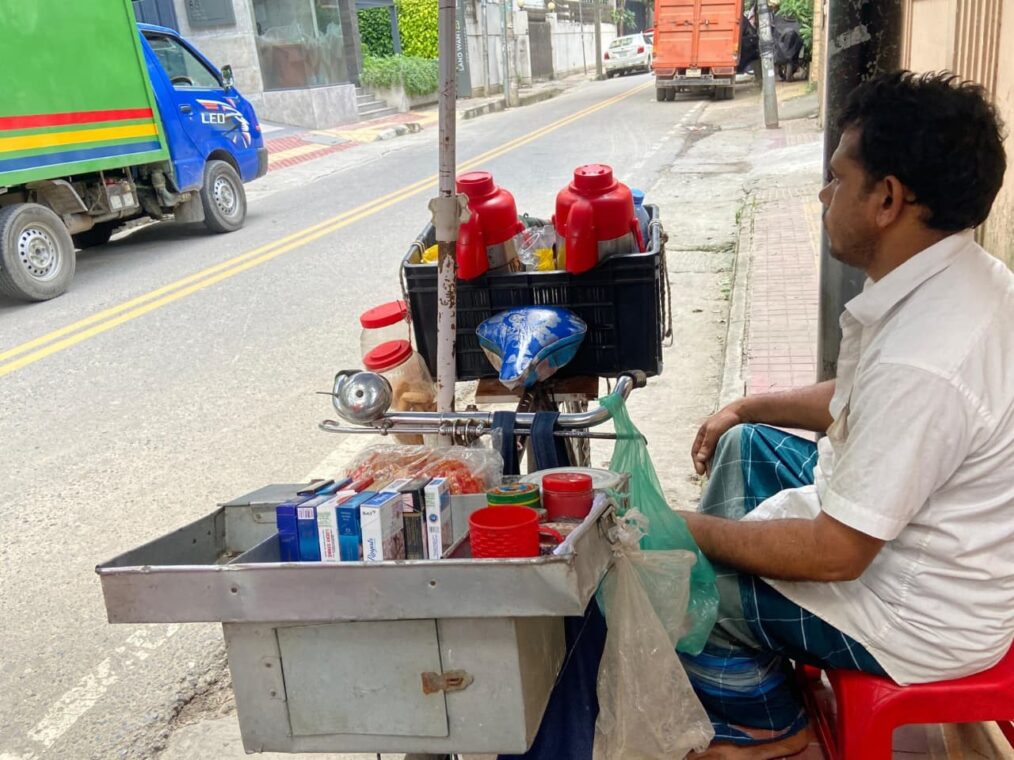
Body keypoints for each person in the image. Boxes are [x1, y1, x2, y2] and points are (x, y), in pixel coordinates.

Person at [680, 70, 1013, 759]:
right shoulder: (953, 278)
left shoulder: (927, 359)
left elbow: (836, 554)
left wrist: (687, 533)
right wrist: (743, 405)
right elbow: (860, 401)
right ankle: (742, 663)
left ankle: (770, 728)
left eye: (836, 179)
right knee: (745, 443)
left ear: (887, 199)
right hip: (930, 540)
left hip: (917, 613)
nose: (824, 195)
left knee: (682, 582)